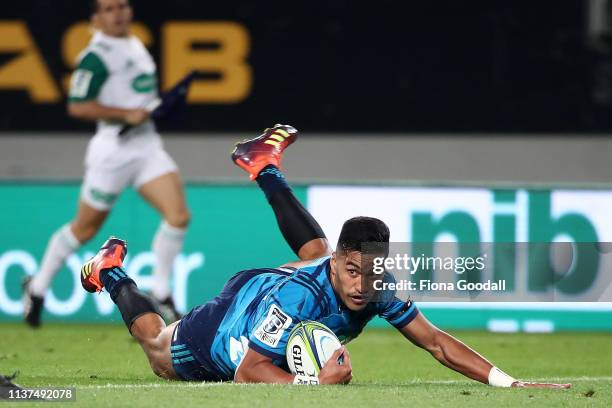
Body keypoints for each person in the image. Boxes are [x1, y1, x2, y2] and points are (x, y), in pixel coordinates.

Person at [78, 124, 571, 387]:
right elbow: (250, 371)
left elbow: (437, 343)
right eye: (353, 270)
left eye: (372, 273)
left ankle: (263, 165)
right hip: (226, 328)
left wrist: (511, 383)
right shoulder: (302, 293)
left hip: (283, 284)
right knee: (157, 347)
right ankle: (111, 271)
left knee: (313, 253)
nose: (364, 284)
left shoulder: (372, 283)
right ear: (340, 263)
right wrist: (309, 387)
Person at [22, 0, 188, 327]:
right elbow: (78, 106)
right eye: (109, 9)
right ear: (96, 18)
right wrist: (125, 114)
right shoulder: (94, 57)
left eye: (122, 6)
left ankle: (161, 291)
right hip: (113, 150)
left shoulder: (135, 44)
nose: (118, 13)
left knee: (178, 216)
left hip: (146, 145)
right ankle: (37, 288)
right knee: (84, 228)